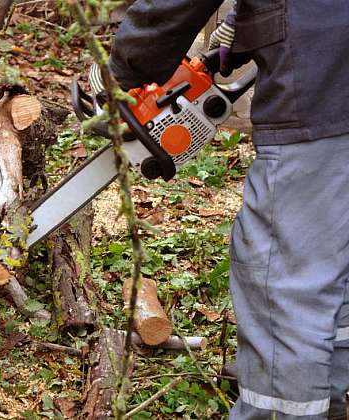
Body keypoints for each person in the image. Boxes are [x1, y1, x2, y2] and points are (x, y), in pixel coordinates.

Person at [102, 1, 349, 419]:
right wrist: (243, 27)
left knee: (281, 276)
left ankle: (283, 408)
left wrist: (126, 69)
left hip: (318, 88)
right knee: (335, 259)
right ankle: (328, 392)